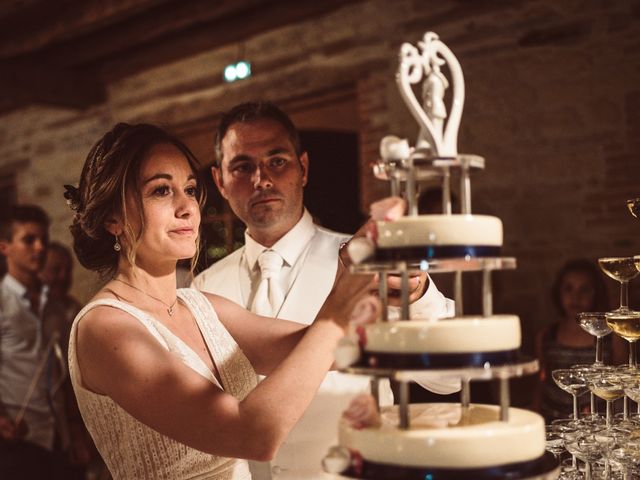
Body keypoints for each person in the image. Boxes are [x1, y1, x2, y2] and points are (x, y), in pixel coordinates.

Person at [66, 122, 391, 480]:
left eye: (189, 189)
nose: (187, 207)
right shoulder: (105, 328)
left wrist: (386, 280)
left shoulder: (202, 306)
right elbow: (251, 434)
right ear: (113, 217)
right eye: (161, 191)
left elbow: (325, 348)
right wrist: (338, 309)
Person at [192, 101, 454, 479]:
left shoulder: (365, 261)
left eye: (277, 161)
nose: (261, 179)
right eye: (243, 166)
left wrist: (416, 294)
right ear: (219, 181)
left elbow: (448, 380)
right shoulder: (204, 287)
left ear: (304, 168)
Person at [0, 205, 85, 479]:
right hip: (18, 442)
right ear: (5, 247)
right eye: (28, 240)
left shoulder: (57, 307)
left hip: (60, 441)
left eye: (43, 241)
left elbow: (66, 375)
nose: (39, 248)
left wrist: (74, 429)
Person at [535, 258, 624, 422]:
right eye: (568, 289)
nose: (576, 297)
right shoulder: (547, 335)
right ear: (558, 293)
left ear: (596, 293)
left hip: (597, 420)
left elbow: (621, 381)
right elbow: (541, 380)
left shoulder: (609, 336)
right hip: (554, 419)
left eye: (585, 290)